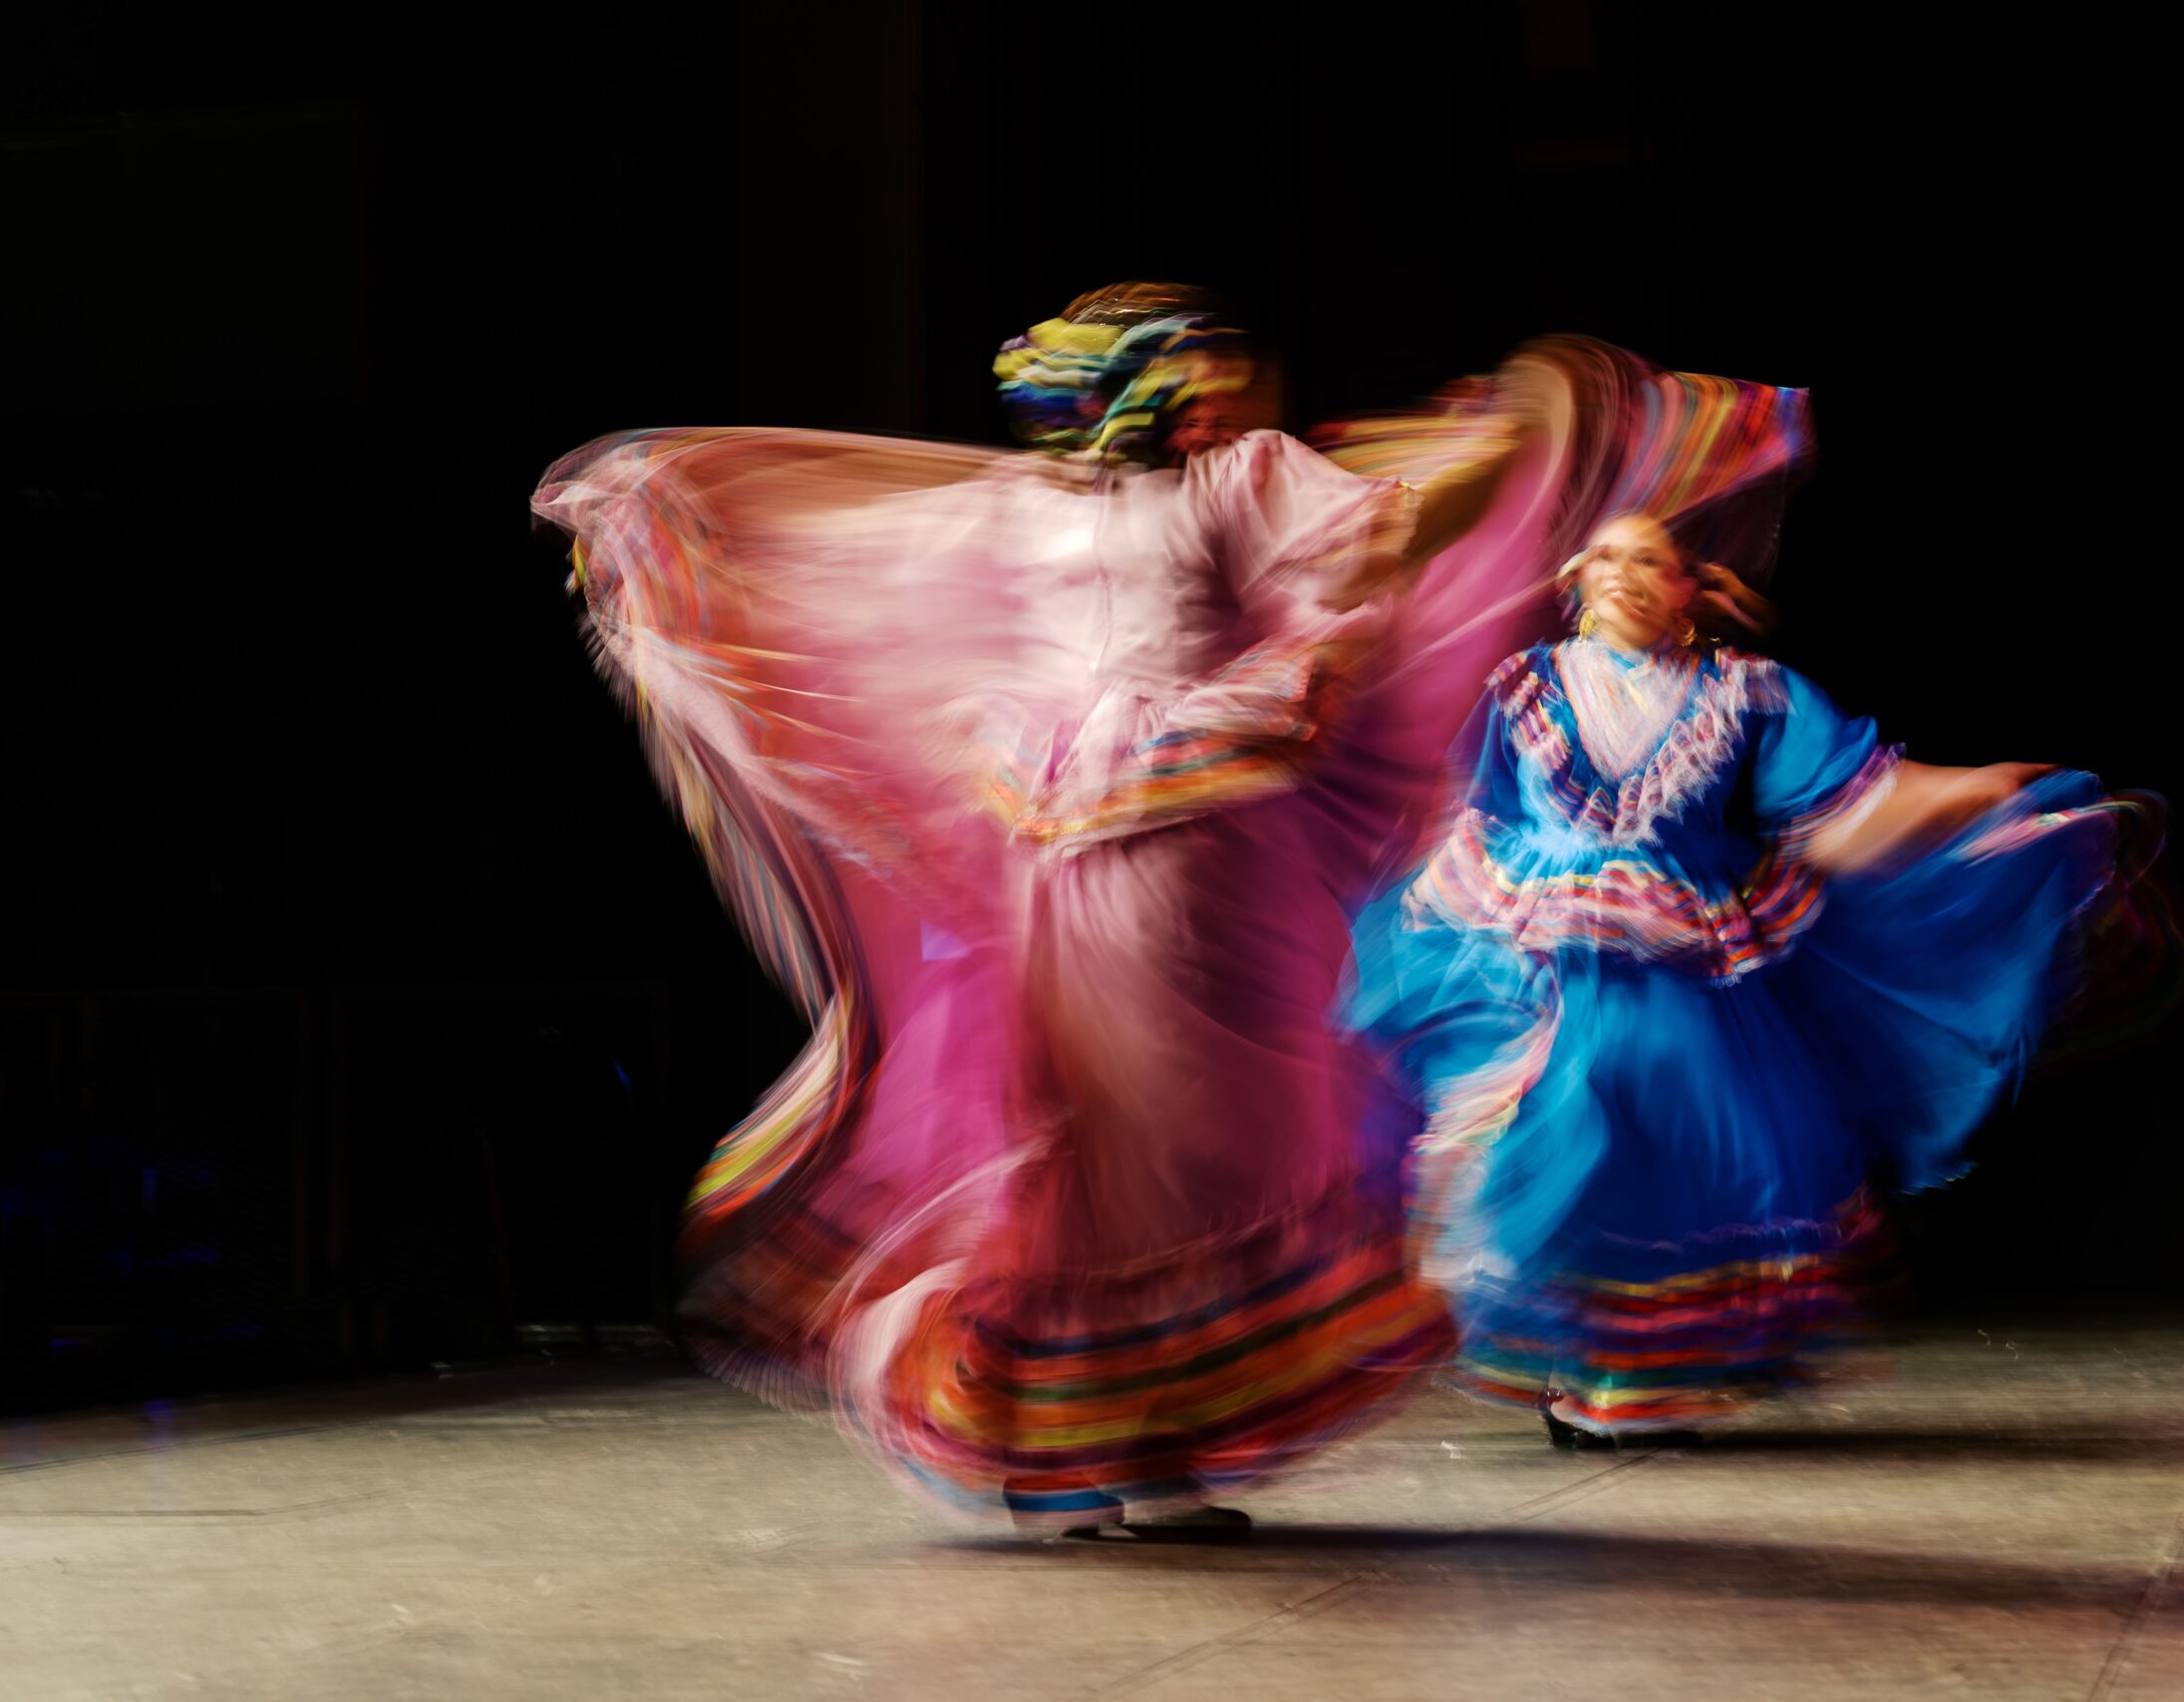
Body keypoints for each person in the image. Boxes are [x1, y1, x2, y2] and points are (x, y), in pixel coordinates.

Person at [534, 288, 1796, 1532]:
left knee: (1097, 1144)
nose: (1235, 402)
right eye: (1217, 379)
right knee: (1185, 1148)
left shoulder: (1022, 507)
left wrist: (674, 529)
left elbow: (848, 564)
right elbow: (1397, 530)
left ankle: (1088, 1455)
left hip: (1068, 852)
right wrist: (1532, 429)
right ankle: (1135, 1454)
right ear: (1167, 390)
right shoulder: (1231, 483)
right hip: (1184, 854)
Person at [1337, 488, 2163, 1445]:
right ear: (1577, 581)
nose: (1624, 574)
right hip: (1544, 943)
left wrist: (1977, 794)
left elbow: (1849, 813)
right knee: (1569, 1124)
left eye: (1650, 560)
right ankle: (1583, 1359)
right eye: (1607, 557)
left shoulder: (1743, 689)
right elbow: (1471, 812)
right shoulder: (1525, 684)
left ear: (1688, 588)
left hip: (1684, 942)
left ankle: (1633, 1374)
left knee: (1675, 1134)